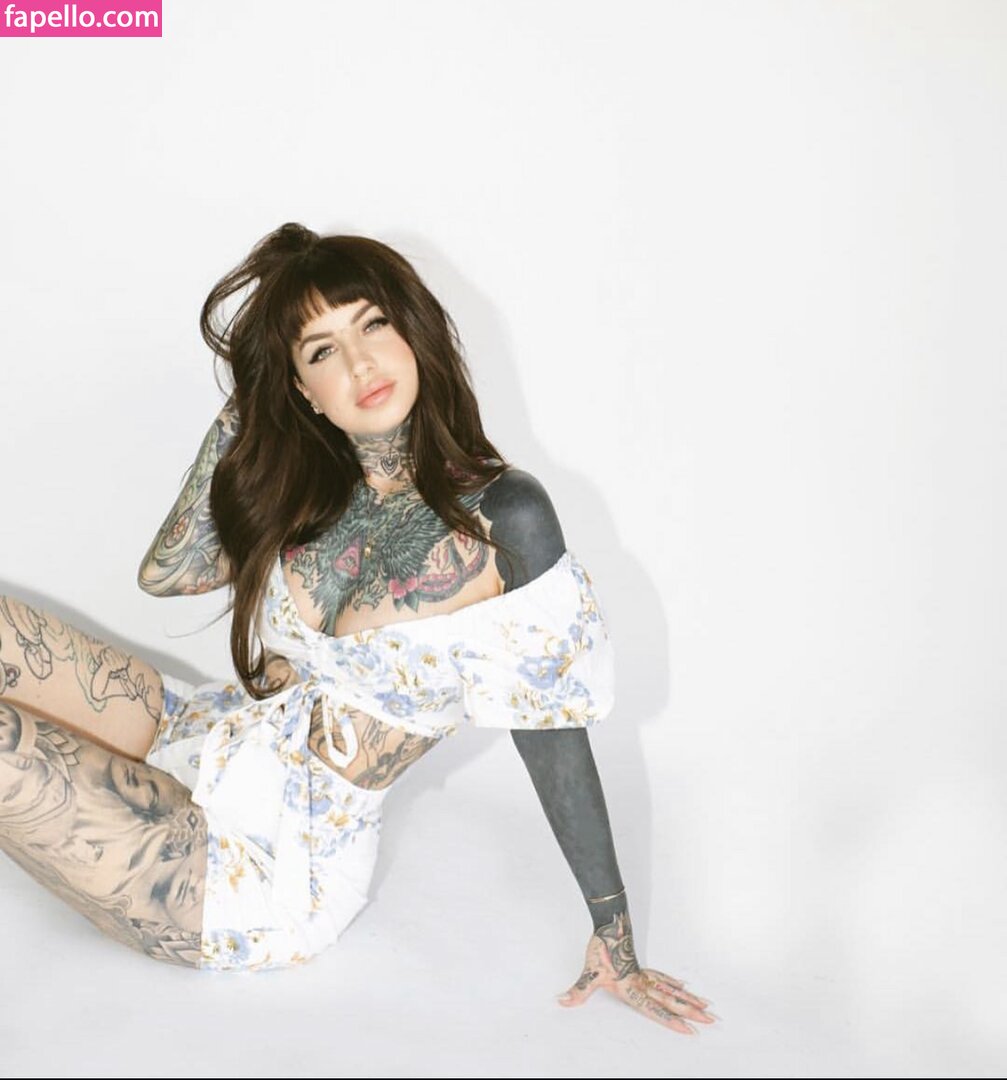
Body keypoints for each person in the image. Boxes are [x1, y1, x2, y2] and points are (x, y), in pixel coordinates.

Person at [0, 223, 715, 1033]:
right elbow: (167, 575)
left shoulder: (503, 517)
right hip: (203, 736)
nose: (360, 363)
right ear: (302, 389)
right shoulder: (312, 493)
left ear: (413, 331)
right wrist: (245, 413)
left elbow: (550, 731)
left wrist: (613, 935)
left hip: (261, 866)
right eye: (321, 351)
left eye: (372, 324)